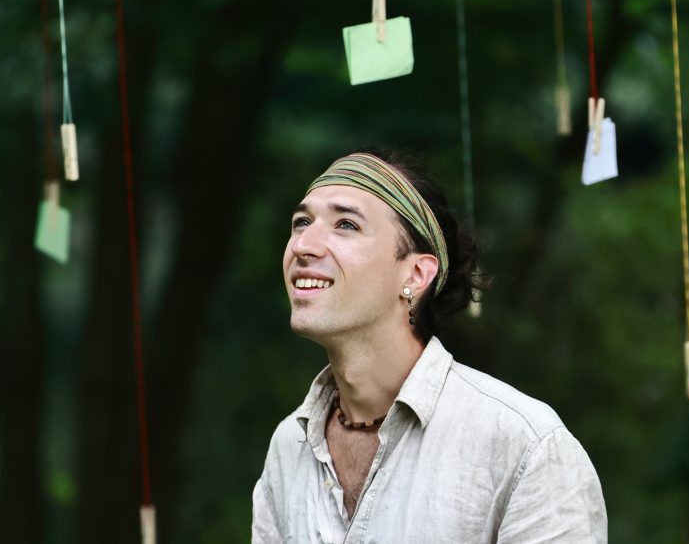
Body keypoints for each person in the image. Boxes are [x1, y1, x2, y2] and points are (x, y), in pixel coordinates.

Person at [252, 150, 607, 543]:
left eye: (346, 224)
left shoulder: (524, 446)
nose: (304, 244)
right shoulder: (289, 446)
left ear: (417, 274)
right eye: (301, 222)